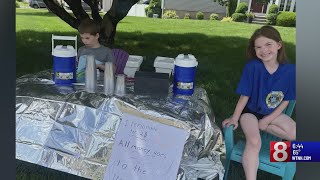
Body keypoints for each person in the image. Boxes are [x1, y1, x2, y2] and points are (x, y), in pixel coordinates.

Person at [222, 25, 296, 180]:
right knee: (255, 141)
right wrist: (235, 118)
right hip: (250, 112)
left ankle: (281, 158)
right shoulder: (253, 67)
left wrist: (267, 120)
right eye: (258, 47)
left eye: (268, 44)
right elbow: (244, 96)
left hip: (271, 113)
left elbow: (286, 100)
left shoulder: (290, 71)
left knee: (298, 136)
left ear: (279, 45)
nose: (264, 50)